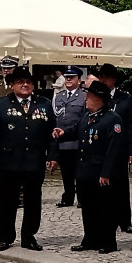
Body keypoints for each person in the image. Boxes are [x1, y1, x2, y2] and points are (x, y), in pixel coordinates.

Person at [0, 67, 59, 251]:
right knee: (7, 201)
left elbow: (51, 134)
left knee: (33, 201)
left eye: (28, 82)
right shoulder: (1, 105)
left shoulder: (44, 104)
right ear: (12, 85)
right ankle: (6, 237)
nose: (25, 85)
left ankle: (29, 236)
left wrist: (53, 156)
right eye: (20, 82)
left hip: (35, 161)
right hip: (9, 161)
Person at [52, 81, 125, 254]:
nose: (85, 99)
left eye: (89, 96)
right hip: (85, 171)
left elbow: (114, 149)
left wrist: (106, 172)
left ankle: (108, 241)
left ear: (98, 99)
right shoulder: (87, 116)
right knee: (88, 207)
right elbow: (77, 130)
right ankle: (90, 239)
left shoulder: (112, 119)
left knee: (104, 208)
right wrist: (63, 133)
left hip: (100, 172)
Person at [96, 63, 132, 234]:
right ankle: (106, 219)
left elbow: (130, 126)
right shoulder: (97, 97)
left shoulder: (124, 98)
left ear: (113, 79)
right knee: (103, 186)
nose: (103, 80)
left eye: (106, 77)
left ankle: (125, 221)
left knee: (121, 186)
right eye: (101, 77)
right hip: (101, 148)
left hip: (119, 149)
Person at [52, 67, 86, 208]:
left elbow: (84, 119)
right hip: (62, 141)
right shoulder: (59, 97)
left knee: (80, 172)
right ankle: (68, 197)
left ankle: (82, 198)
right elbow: (55, 117)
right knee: (66, 172)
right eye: (66, 77)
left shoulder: (84, 96)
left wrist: (68, 132)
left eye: (72, 77)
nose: (68, 80)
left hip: (77, 140)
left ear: (79, 80)